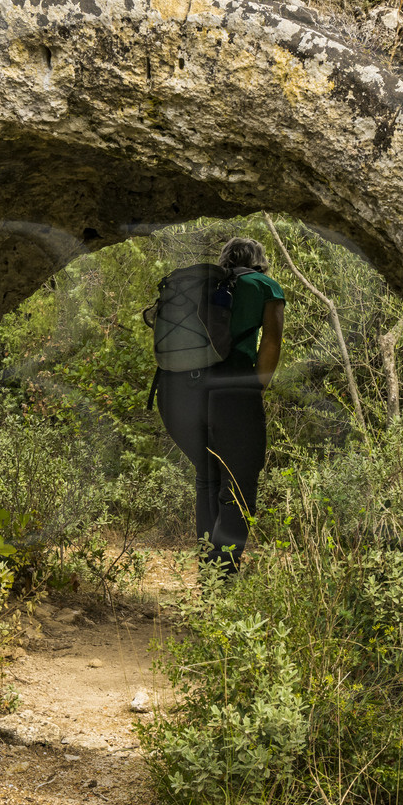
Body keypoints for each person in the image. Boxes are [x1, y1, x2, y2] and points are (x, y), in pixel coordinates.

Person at [156, 237, 285, 577]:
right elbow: (272, 338)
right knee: (240, 485)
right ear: (260, 261)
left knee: (207, 478)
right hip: (233, 392)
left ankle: (208, 572)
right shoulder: (264, 285)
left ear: (225, 260)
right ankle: (222, 576)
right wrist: (256, 385)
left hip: (177, 392)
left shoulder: (203, 285)